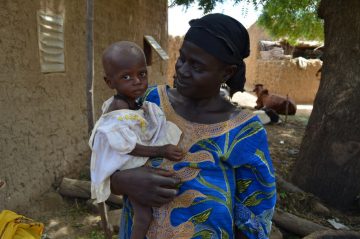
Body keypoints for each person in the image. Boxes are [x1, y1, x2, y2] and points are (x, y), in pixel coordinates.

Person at [110, 14, 276, 239]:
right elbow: (104, 157)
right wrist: (122, 181)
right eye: (182, 59)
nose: (182, 70)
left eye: (197, 66)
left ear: (227, 72)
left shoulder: (244, 131)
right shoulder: (147, 104)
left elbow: (254, 218)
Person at [89, 41, 183, 239]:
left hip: (129, 163)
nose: (137, 81)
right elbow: (128, 146)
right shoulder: (118, 109)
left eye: (142, 74)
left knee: (144, 213)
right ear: (109, 82)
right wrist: (162, 150)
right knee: (143, 215)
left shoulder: (133, 103)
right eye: (126, 77)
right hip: (124, 165)